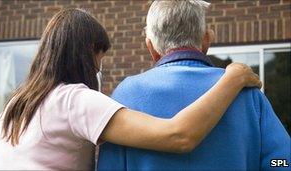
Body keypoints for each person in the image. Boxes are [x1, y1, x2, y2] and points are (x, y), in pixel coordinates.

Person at [0, 8, 261, 170]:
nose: (99, 67)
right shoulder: (75, 100)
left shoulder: (16, 104)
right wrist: (233, 78)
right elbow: (179, 136)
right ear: (89, 52)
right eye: (101, 58)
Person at [98, 1, 290, 171]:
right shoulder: (247, 93)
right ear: (207, 39)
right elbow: (282, 161)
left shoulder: (126, 95)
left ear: (151, 47)